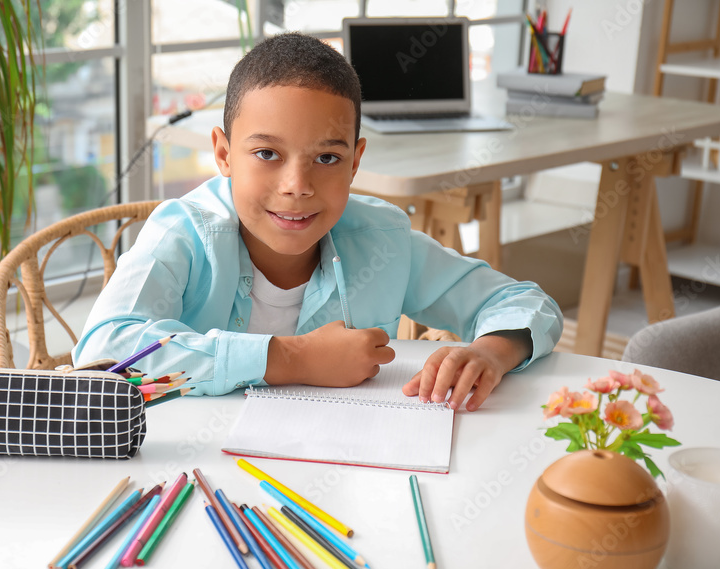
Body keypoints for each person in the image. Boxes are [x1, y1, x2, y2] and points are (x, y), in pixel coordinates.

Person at [74, 33, 563, 410]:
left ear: (355, 161)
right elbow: (104, 352)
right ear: (223, 154)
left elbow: (521, 302)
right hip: (197, 472)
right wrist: (294, 358)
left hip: (339, 474)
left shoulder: (382, 239)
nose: (297, 185)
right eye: (267, 153)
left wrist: (494, 352)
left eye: (327, 159)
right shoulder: (181, 234)